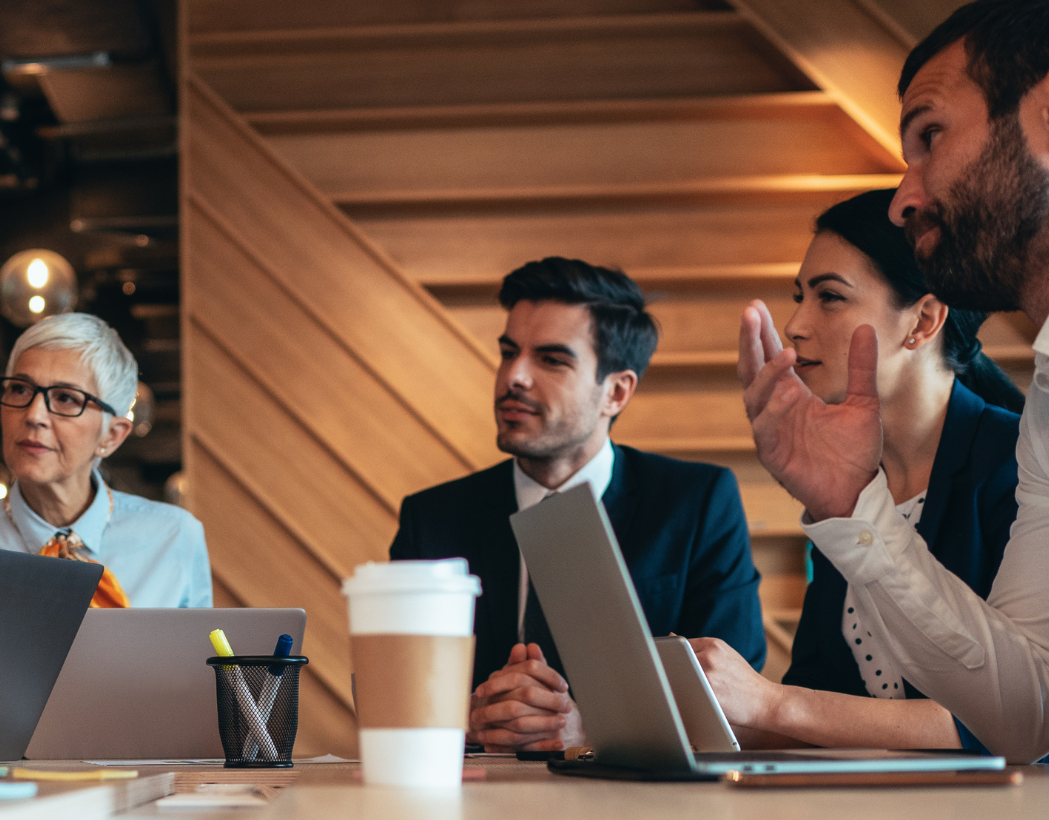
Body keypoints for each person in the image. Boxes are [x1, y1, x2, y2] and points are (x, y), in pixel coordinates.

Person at [736, 0, 1049, 763]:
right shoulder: (1045, 401)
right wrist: (851, 507)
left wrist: (777, 705)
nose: (906, 196)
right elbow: (1030, 713)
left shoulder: (1005, 447)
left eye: (929, 135)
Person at [389, 257, 766, 752]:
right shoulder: (432, 518)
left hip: (647, 811)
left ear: (615, 391)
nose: (514, 377)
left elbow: (736, 701)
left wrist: (590, 729)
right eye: (508, 352)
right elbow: (394, 693)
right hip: (477, 805)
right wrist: (471, 719)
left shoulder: (696, 503)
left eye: (551, 359)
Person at [692, 189, 1020, 751]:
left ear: (923, 320)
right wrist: (612, 721)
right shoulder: (851, 479)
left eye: (831, 298)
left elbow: (1022, 713)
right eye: (800, 296)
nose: (794, 325)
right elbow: (822, 698)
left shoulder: (1018, 465)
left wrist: (773, 702)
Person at [0, 312, 208, 617]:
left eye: (66, 398)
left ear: (112, 435)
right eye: (20, 389)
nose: (34, 415)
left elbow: (200, 663)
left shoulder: (176, 537)